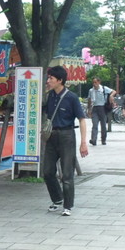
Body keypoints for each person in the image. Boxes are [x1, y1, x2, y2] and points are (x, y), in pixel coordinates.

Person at [43, 65, 89, 216]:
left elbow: (82, 120)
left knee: (67, 173)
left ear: (60, 80)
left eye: (51, 78)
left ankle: (68, 205)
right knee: (48, 171)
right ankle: (57, 199)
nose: (48, 81)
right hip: (52, 136)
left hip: (67, 135)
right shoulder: (50, 96)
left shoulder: (71, 97)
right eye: (48, 78)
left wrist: (83, 142)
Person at [86, 77, 113, 146]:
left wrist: (111, 96)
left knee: (103, 125)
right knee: (95, 124)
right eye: (93, 82)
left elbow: (113, 91)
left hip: (102, 108)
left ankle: (103, 139)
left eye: (95, 82)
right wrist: (89, 109)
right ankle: (93, 140)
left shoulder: (103, 89)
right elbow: (89, 100)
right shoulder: (91, 90)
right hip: (94, 108)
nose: (94, 84)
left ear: (99, 82)